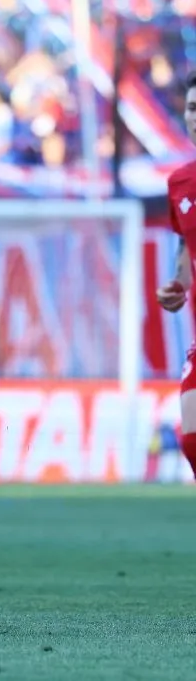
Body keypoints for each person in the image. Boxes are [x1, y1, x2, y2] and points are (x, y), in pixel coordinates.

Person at [155, 70, 196, 479]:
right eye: (192, 108)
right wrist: (178, 284)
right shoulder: (181, 182)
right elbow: (186, 245)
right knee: (192, 439)